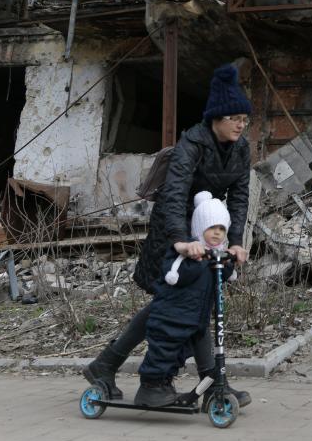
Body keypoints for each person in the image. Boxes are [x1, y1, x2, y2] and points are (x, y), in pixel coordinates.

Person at [84, 64, 253, 406]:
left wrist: (235, 241)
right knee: (175, 302)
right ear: (217, 118)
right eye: (234, 117)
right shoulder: (192, 144)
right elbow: (174, 192)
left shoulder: (241, 149)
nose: (240, 123)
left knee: (197, 300)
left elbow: (239, 196)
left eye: (244, 118)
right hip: (173, 230)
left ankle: (112, 364)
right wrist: (178, 238)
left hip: (206, 230)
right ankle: (204, 378)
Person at [135, 191, 236, 407]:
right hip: (171, 316)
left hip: (192, 320)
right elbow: (175, 275)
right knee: (163, 352)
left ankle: (165, 385)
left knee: (178, 355)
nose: (217, 234)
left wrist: (229, 260)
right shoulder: (185, 253)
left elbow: (223, 275)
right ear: (200, 229)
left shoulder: (214, 257)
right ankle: (150, 388)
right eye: (211, 228)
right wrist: (195, 256)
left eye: (221, 229)